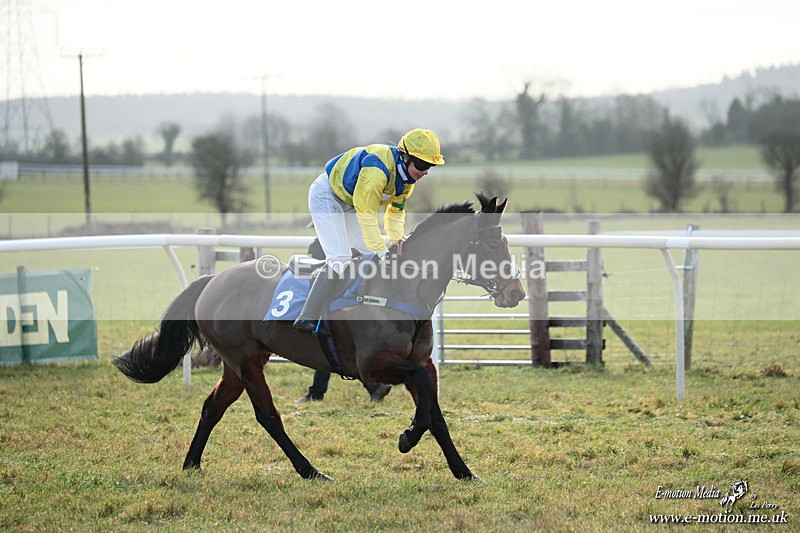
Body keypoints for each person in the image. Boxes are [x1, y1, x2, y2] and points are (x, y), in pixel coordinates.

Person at [292, 128, 445, 332]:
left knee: (368, 256)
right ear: (405, 157)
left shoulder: (407, 181)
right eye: (422, 165)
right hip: (327, 196)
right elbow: (367, 216)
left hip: (350, 202)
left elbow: (395, 214)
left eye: (430, 166)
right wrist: (383, 252)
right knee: (341, 258)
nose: (425, 172)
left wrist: (398, 241)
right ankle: (307, 316)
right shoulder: (377, 171)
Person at [298, 238, 392, 403]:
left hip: (339, 293)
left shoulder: (320, 243)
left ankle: (318, 392)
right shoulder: (343, 239)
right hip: (350, 287)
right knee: (336, 346)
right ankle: (372, 387)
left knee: (331, 345)